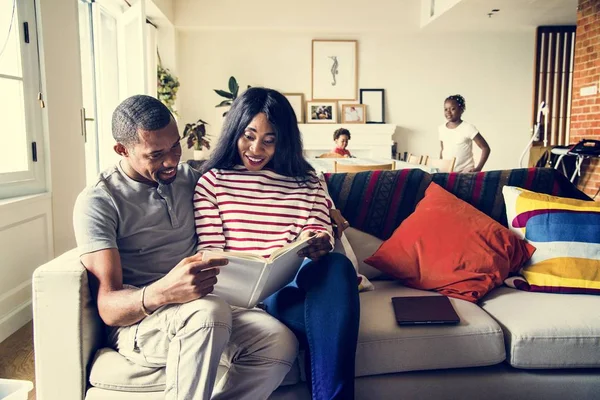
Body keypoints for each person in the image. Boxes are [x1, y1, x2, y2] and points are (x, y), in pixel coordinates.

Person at [73, 95, 299, 400]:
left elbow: (258, 184)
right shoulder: (99, 201)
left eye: (175, 146)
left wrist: (329, 208)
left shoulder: (191, 179)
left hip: (208, 309)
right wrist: (165, 291)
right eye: (155, 154)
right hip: (143, 323)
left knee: (278, 340)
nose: (171, 161)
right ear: (122, 150)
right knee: (208, 311)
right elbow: (108, 308)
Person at [194, 87, 360, 400]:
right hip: (242, 295)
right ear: (235, 131)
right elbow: (212, 252)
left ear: (284, 140)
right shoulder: (213, 181)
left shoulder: (308, 179)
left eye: (269, 139)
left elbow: (316, 226)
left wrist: (320, 239)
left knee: (337, 266)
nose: (256, 148)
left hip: (292, 289)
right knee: (327, 327)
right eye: (249, 135)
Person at [438, 94, 491, 172]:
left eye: (452, 109)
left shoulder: (468, 127)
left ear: (461, 110)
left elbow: (485, 148)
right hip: (447, 172)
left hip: (465, 173)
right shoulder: (441, 128)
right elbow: (443, 149)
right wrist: (440, 166)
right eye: (446, 109)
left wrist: (478, 168)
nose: (448, 112)